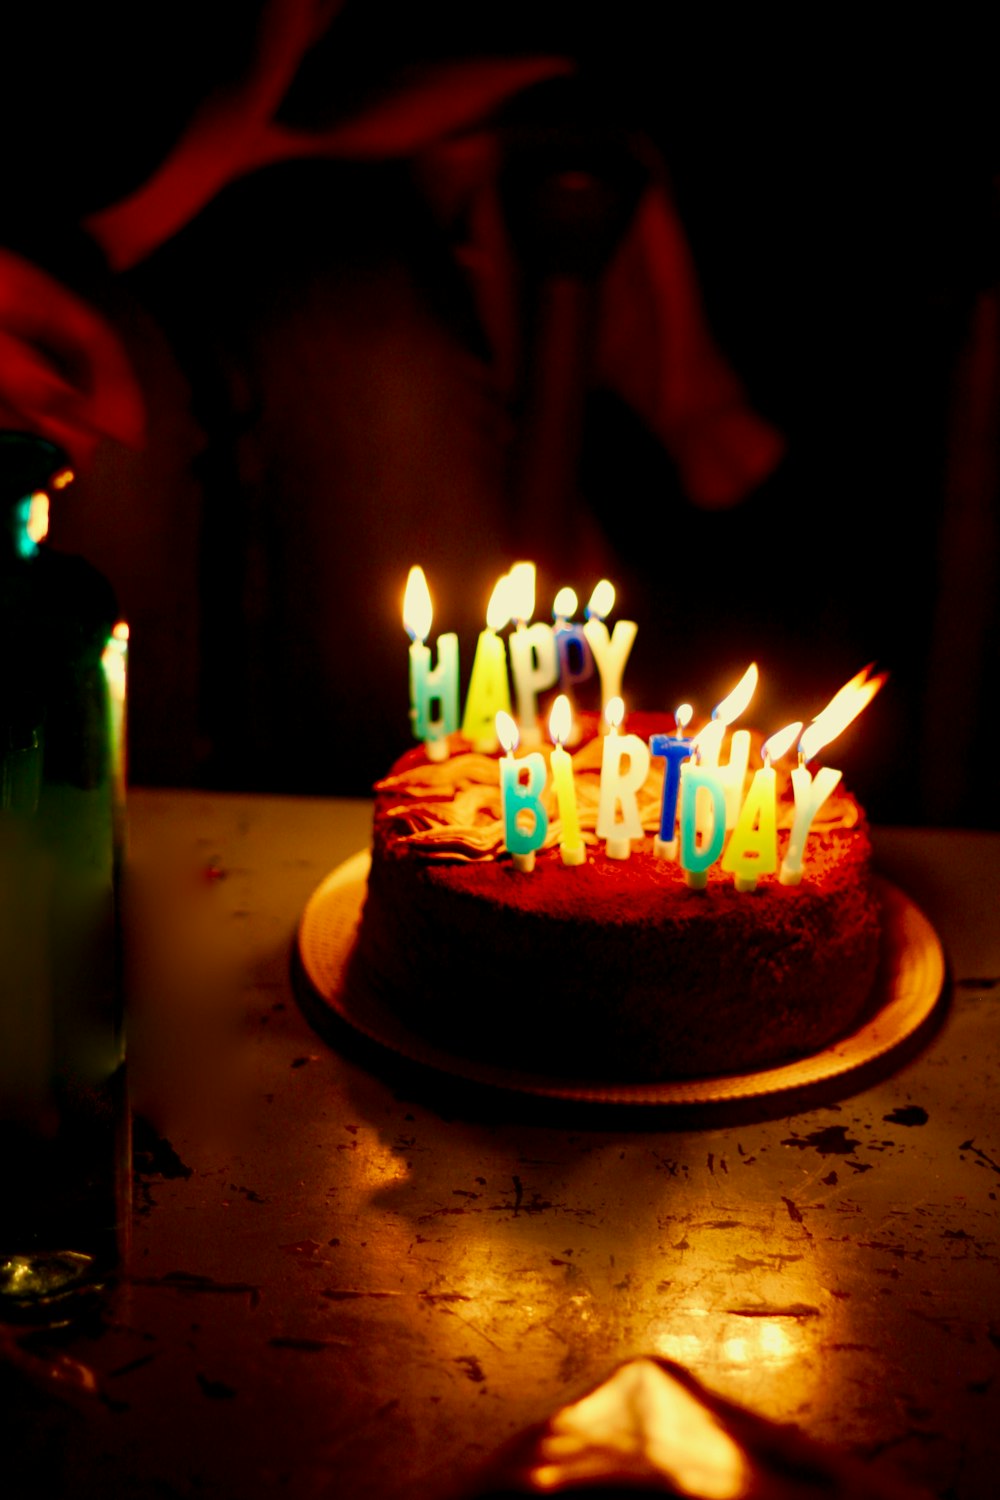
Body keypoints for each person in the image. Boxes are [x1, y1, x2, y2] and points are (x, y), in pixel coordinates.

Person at [3, 7, 994, 821]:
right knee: (99, 480)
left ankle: (401, 870)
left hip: (306, 181)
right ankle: (110, 903)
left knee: (386, 385)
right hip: (57, 213)